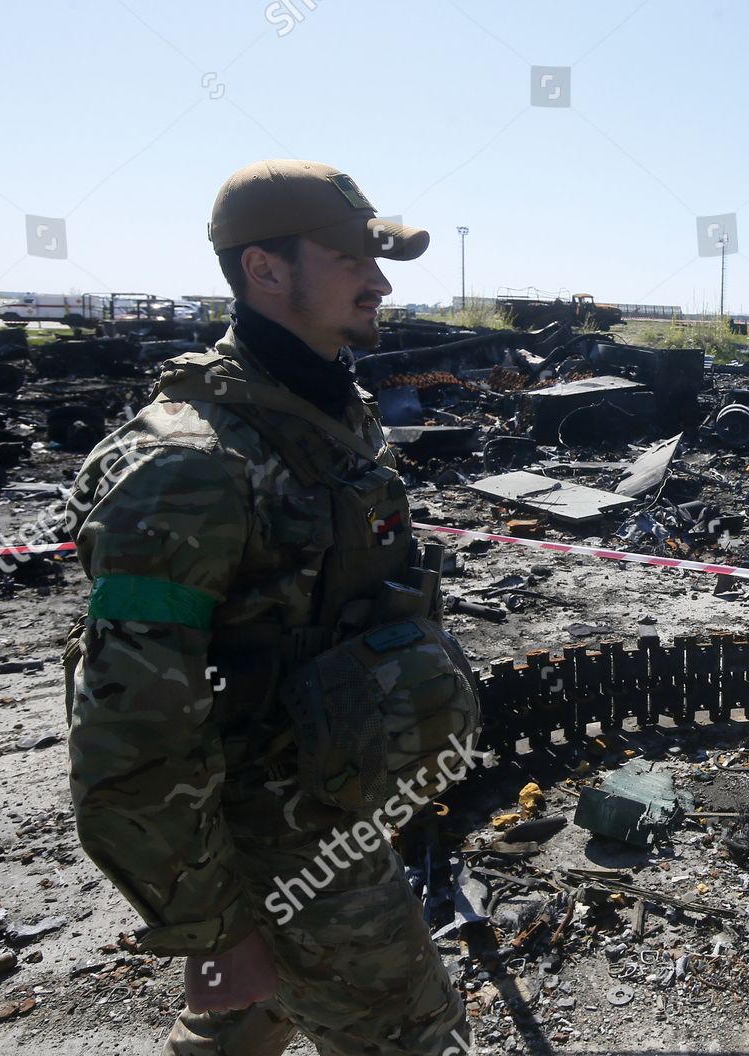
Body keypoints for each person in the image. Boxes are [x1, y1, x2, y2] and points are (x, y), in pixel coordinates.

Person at [63, 160, 473, 1055]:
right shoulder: (188, 465)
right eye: (350, 259)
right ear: (265, 270)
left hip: (334, 806)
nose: (381, 280)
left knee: (250, 1023)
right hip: (278, 850)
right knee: (411, 1036)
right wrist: (216, 933)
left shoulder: (328, 408)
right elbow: (129, 733)